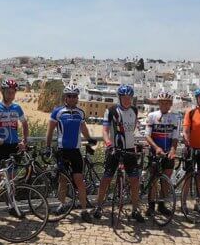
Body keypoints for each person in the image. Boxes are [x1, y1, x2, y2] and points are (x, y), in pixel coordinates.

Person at [45, 84, 96, 223]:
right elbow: (49, 131)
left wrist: (90, 139)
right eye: (69, 96)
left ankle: (84, 210)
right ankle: (62, 205)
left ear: (77, 98)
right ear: (65, 97)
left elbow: (83, 128)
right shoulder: (58, 112)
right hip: (62, 151)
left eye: (74, 96)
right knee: (62, 181)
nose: (72, 98)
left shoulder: (80, 112)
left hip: (75, 151)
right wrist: (47, 147)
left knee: (80, 181)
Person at [93, 84, 143, 222]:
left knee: (134, 181)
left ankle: (135, 209)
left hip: (130, 150)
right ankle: (98, 206)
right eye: (124, 97)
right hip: (114, 149)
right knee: (106, 179)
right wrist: (108, 143)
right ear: (119, 98)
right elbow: (105, 130)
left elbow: (132, 130)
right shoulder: (111, 111)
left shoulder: (134, 110)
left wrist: (137, 143)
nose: (127, 100)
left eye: (129, 97)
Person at [144, 90, 179, 216]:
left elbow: (175, 137)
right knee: (153, 180)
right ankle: (151, 206)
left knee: (166, 180)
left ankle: (162, 205)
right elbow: (147, 136)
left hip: (169, 153)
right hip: (155, 152)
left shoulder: (175, 118)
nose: (164, 105)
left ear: (170, 104)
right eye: (162, 102)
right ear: (159, 103)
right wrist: (156, 148)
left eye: (167, 103)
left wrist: (173, 150)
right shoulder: (152, 116)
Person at [0, 79, 29, 169]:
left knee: (12, 175)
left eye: (13, 93)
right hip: (0, 146)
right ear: (3, 92)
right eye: (8, 92)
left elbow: (25, 124)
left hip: (15, 146)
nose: (11, 95)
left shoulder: (17, 107)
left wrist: (24, 141)